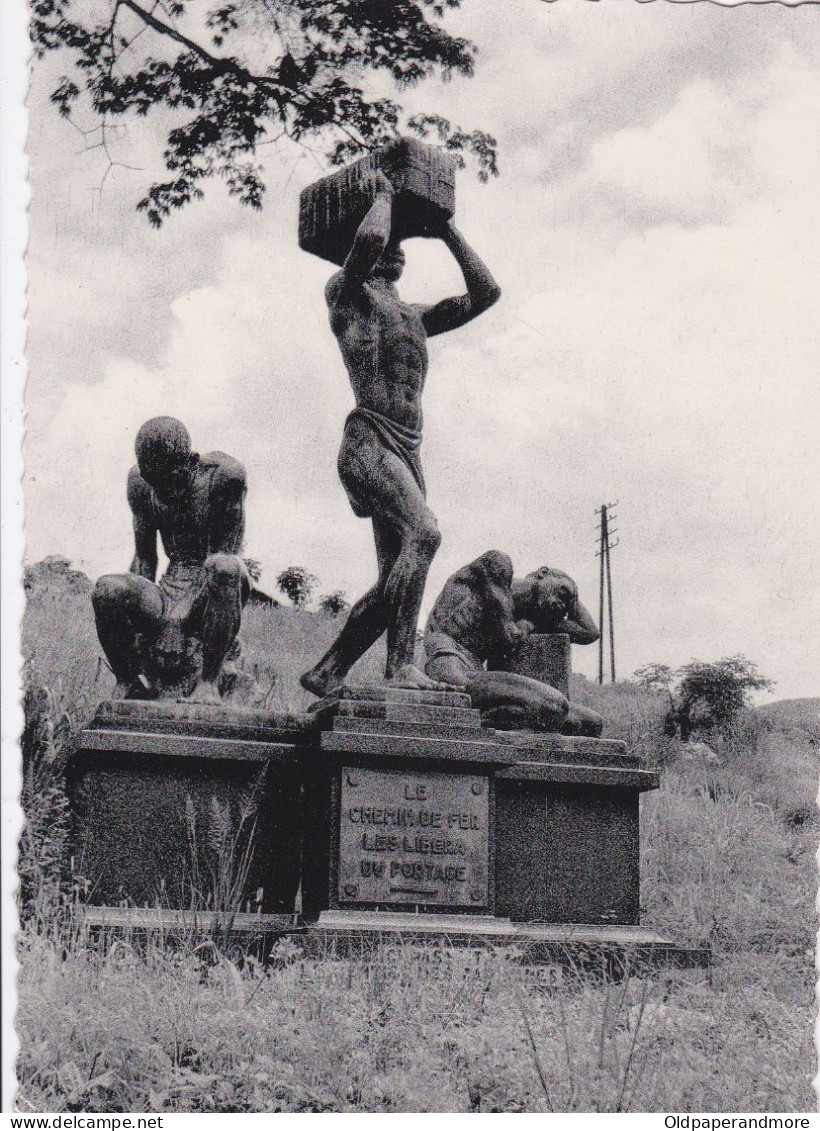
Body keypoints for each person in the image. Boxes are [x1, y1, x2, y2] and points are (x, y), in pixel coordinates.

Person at [301, 171, 501, 697]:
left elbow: (486, 293)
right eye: (388, 243)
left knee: (397, 573)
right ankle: (400, 667)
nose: (395, 249)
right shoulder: (347, 297)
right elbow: (367, 241)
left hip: (407, 452)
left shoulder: (414, 316)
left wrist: (448, 231)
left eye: (401, 246)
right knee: (426, 535)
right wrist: (385, 197)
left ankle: (328, 671)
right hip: (368, 442)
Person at [92, 416, 249, 702]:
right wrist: (139, 628)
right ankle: (129, 680)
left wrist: (176, 620)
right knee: (108, 589)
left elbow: (225, 553)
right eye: (158, 487)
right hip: (168, 589)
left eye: (172, 483)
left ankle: (208, 683)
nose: (166, 493)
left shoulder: (224, 476)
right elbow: (144, 558)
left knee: (225, 568)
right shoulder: (139, 482)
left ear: (190, 461)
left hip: (212, 590)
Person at [424, 551, 603, 736]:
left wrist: (569, 600)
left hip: (476, 674)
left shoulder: (526, 615)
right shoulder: (497, 565)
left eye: (567, 604)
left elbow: (589, 632)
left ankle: (491, 724)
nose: (562, 604)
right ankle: (482, 728)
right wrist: (530, 624)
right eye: (563, 592)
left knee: (592, 723)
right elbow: (510, 633)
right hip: (450, 669)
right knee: (554, 706)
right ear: (543, 572)